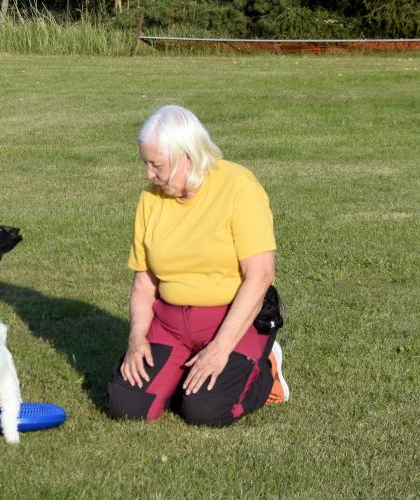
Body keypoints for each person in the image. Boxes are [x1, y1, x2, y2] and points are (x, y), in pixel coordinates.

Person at [105, 105, 290, 427]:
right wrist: (136, 339)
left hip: (232, 320)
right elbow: (144, 284)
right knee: (127, 405)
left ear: (186, 157)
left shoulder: (239, 186)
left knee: (205, 411)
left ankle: (266, 371)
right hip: (171, 323)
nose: (149, 174)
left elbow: (260, 276)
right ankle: (182, 374)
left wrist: (220, 348)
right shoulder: (150, 200)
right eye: (145, 164)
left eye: (156, 165)